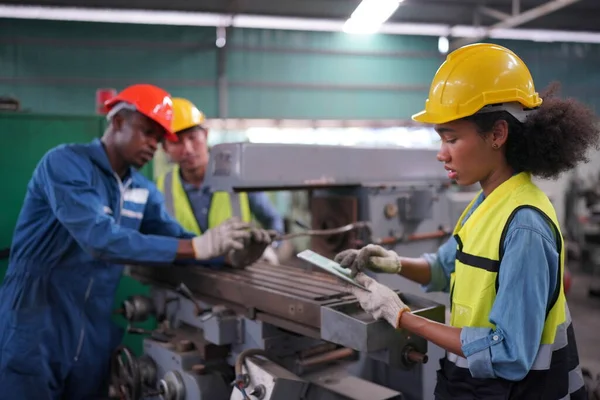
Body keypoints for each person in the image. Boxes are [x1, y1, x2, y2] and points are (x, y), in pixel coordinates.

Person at [335, 43, 599, 399]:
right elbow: (445, 267)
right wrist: (393, 263)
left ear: (497, 134)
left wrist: (401, 316)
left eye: (452, 138)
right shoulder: (485, 203)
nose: (441, 153)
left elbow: (508, 352)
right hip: (475, 386)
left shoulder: (525, 226)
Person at [0, 84, 273, 399]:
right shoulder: (65, 165)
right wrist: (198, 247)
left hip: (93, 327)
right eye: (147, 132)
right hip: (37, 318)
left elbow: (175, 237)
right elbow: (99, 238)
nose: (153, 144)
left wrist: (228, 253)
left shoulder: (141, 189)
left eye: (159, 139)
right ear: (117, 123)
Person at [156, 97, 284, 264]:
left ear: (206, 134)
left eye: (193, 137)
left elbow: (272, 219)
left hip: (238, 274)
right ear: (165, 148)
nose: (187, 149)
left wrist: (270, 248)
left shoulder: (239, 179)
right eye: (176, 142)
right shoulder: (160, 187)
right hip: (183, 277)